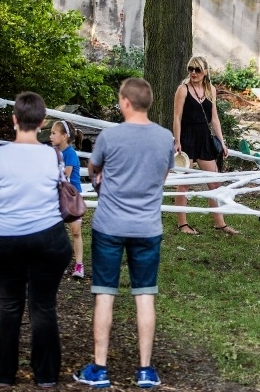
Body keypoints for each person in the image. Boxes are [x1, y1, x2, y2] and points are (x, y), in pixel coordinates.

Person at [74, 78, 175, 389]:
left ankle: (99, 368)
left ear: (126, 103)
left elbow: (93, 170)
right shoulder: (165, 137)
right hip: (147, 227)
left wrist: (101, 180)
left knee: (104, 294)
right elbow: (164, 172)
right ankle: (145, 370)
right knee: (145, 296)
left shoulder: (110, 136)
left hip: (109, 225)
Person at [0, 91, 73, 387]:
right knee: (43, 306)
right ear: (43, 122)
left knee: (9, 305)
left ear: (14, 120)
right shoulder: (53, 155)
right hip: (47, 237)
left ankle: (2, 373)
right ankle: (46, 375)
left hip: (5, 237)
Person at [173, 56, 240, 235]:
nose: (193, 73)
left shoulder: (211, 89)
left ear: (205, 72)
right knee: (185, 183)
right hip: (187, 137)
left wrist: (222, 142)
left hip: (204, 137)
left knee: (214, 182)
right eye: (190, 69)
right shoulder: (183, 89)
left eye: (197, 69)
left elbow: (214, 118)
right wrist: (177, 141)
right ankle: (182, 224)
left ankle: (220, 223)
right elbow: (177, 117)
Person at [50, 119, 86, 278]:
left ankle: (79, 265)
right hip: (56, 195)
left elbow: (66, 175)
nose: (50, 136)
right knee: (57, 231)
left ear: (64, 136)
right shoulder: (52, 152)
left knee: (76, 231)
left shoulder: (70, 154)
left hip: (72, 197)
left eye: (53, 133)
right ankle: (59, 262)